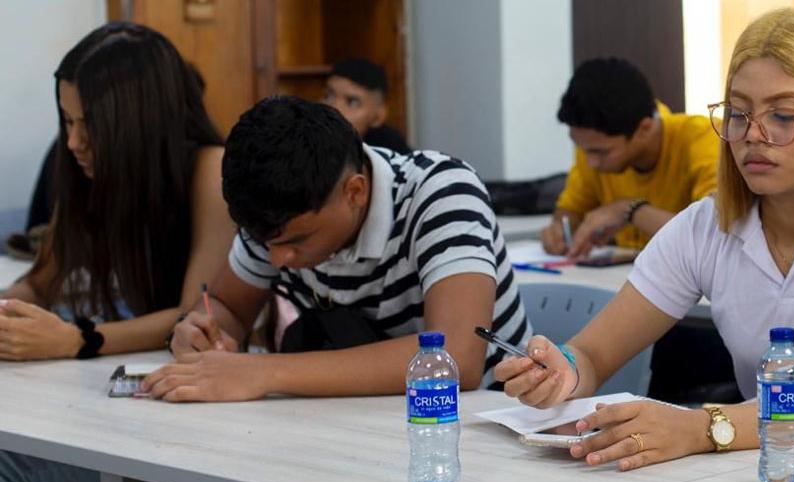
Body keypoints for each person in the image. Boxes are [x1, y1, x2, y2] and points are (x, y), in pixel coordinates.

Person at [497, 7, 794, 472]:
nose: (752, 136)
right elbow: (595, 352)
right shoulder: (707, 225)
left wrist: (703, 427)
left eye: (782, 116)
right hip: (773, 466)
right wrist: (563, 370)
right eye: (738, 113)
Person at [0, 22, 233, 482]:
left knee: (6, 460)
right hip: (123, 411)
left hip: (200, 426)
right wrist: (9, 310)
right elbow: (40, 280)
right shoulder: (86, 174)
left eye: (90, 124)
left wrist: (76, 339)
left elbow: (193, 314)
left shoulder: (211, 171)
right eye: (67, 121)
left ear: (138, 119)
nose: (75, 141)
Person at [155, 95, 530, 401]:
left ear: (355, 191)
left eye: (296, 242)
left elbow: (455, 359)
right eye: (265, 243)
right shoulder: (274, 221)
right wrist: (204, 331)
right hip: (349, 426)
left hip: (475, 426)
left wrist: (264, 372)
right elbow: (228, 307)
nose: (277, 259)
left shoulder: (441, 192)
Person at [540, 57, 719, 258]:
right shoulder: (594, 145)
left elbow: (712, 234)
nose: (591, 162)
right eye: (582, 149)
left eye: (601, 152)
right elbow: (571, 209)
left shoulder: (703, 139)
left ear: (644, 128)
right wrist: (559, 229)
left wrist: (628, 210)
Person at [323, 57, 411, 154]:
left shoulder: (393, 158)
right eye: (328, 96)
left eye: (352, 102)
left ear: (378, 116)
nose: (334, 107)